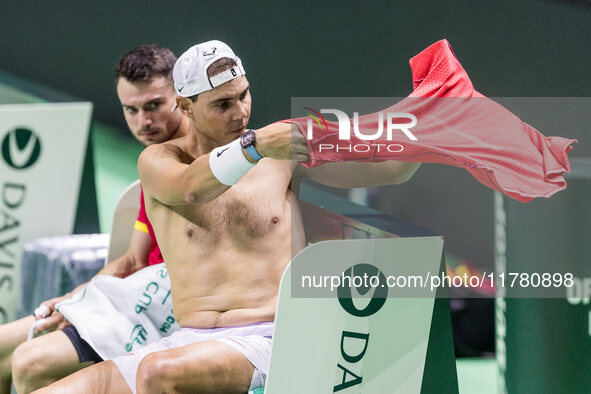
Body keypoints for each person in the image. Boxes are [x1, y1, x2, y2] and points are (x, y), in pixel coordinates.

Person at [35, 40, 418, 393]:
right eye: (223, 104)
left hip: (273, 338)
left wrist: (437, 114)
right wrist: (254, 146)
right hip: (187, 343)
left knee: (159, 372)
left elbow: (389, 168)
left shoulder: (280, 148)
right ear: (184, 107)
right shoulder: (160, 161)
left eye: (244, 95)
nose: (241, 112)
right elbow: (192, 188)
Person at [3, 44, 189, 393]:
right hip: (126, 299)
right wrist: (75, 299)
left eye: (153, 106)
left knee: (30, 363)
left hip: (158, 315)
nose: (142, 122)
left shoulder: (198, 167)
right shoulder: (153, 164)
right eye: (130, 110)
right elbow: (133, 259)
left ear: (182, 98)